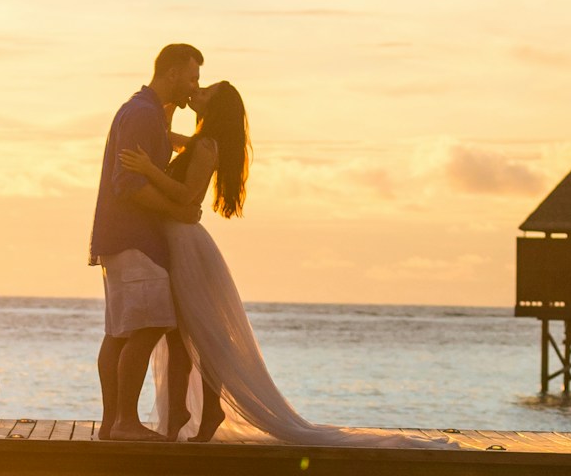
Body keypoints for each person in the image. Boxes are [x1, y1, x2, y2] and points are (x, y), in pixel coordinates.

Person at [118, 80, 447, 446]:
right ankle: (179, 413)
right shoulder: (201, 142)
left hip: (186, 246)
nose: (198, 91)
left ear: (216, 109)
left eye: (205, 91)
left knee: (202, 333)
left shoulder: (207, 145)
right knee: (179, 336)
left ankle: (209, 409)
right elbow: (180, 145)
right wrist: (162, 119)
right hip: (177, 242)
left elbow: (187, 195)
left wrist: (147, 168)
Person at [90, 43, 203, 439]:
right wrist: (177, 211)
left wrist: (183, 141)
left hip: (118, 237)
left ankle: (111, 424)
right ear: (172, 73)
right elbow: (128, 184)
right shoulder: (141, 113)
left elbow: (151, 143)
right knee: (147, 327)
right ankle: (125, 422)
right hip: (136, 237)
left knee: (120, 331)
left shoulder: (144, 111)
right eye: (192, 77)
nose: (194, 86)